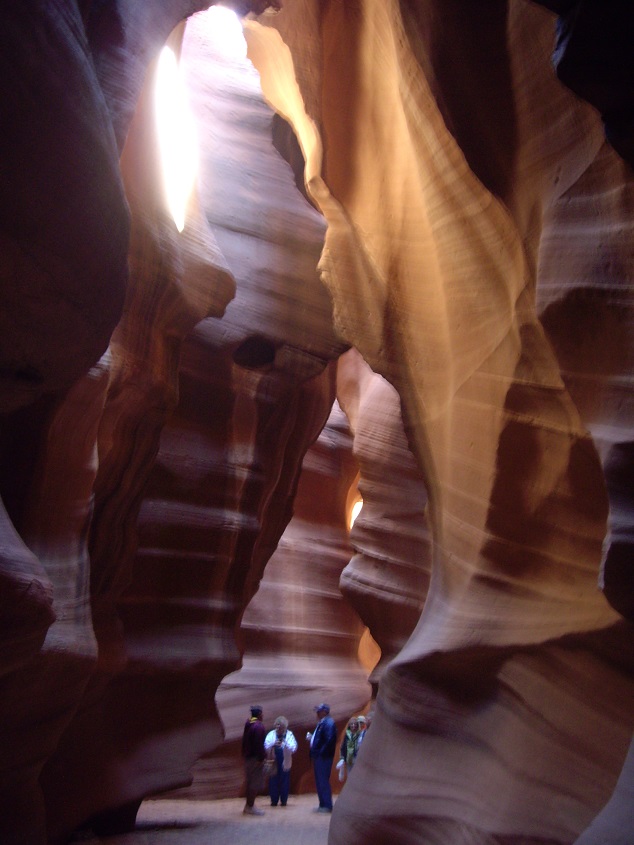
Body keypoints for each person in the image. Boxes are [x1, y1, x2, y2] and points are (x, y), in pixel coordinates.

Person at [307, 702, 337, 813]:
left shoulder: (329, 723)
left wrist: (320, 752)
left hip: (323, 757)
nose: (317, 713)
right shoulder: (322, 723)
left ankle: (327, 805)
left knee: (323, 780)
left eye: (319, 711)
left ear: (324, 711)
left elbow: (329, 740)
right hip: (319, 756)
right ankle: (323, 804)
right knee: (320, 781)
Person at [264, 715, 298, 807]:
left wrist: (285, 744)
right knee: (273, 781)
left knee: (284, 781)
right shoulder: (271, 734)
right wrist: (273, 743)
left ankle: (284, 801)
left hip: (285, 761)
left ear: (285, 727)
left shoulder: (289, 735)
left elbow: (294, 748)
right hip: (274, 762)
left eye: (281, 728)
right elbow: (266, 746)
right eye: (277, 727)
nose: (279, 729)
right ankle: (274, 801)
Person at [241, 705, 267, 816]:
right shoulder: (258, 727)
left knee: (250, 782)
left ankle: (248, 805)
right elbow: (258, 745)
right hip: (255, 759)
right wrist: (261, 758)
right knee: (254, 783)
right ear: (260, 714)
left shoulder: (248, 724)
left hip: (248, 758)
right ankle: (250, 807)